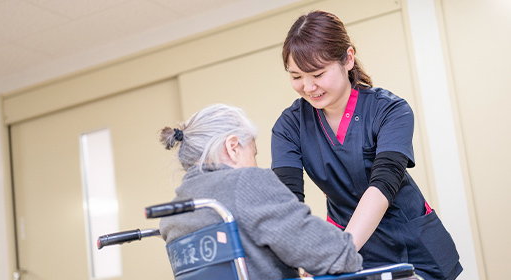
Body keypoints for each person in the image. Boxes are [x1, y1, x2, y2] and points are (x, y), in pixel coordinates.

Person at [271, 10, 462, 280]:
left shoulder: (390, 110)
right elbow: (286, 202)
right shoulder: (289, 127)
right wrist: (301, 256)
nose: (308, 86)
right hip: (352, 253)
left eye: (318, 74)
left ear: (348, 59)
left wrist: (338, 254)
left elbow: (383, 185)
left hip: (413, 248)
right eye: (296, 76)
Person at [158, 104, 362, 280]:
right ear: (233, 147)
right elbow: (335, 253)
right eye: (253, 153)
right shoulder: (245, 183)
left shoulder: (172, 216)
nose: (256, 164)